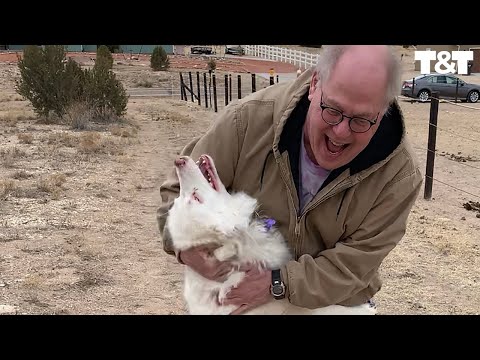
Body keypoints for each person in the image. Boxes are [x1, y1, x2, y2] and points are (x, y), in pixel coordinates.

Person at [157, 45, 423, 315]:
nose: (341, 132)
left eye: (362, 120)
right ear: (315, 84)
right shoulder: (246, 121)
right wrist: (186, 247)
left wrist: (277, 282)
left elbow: (353, 265)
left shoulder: (399, 176)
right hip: (239, 286)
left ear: (384, 110)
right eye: (332, 109)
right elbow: (178, 190)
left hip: (332, 301)